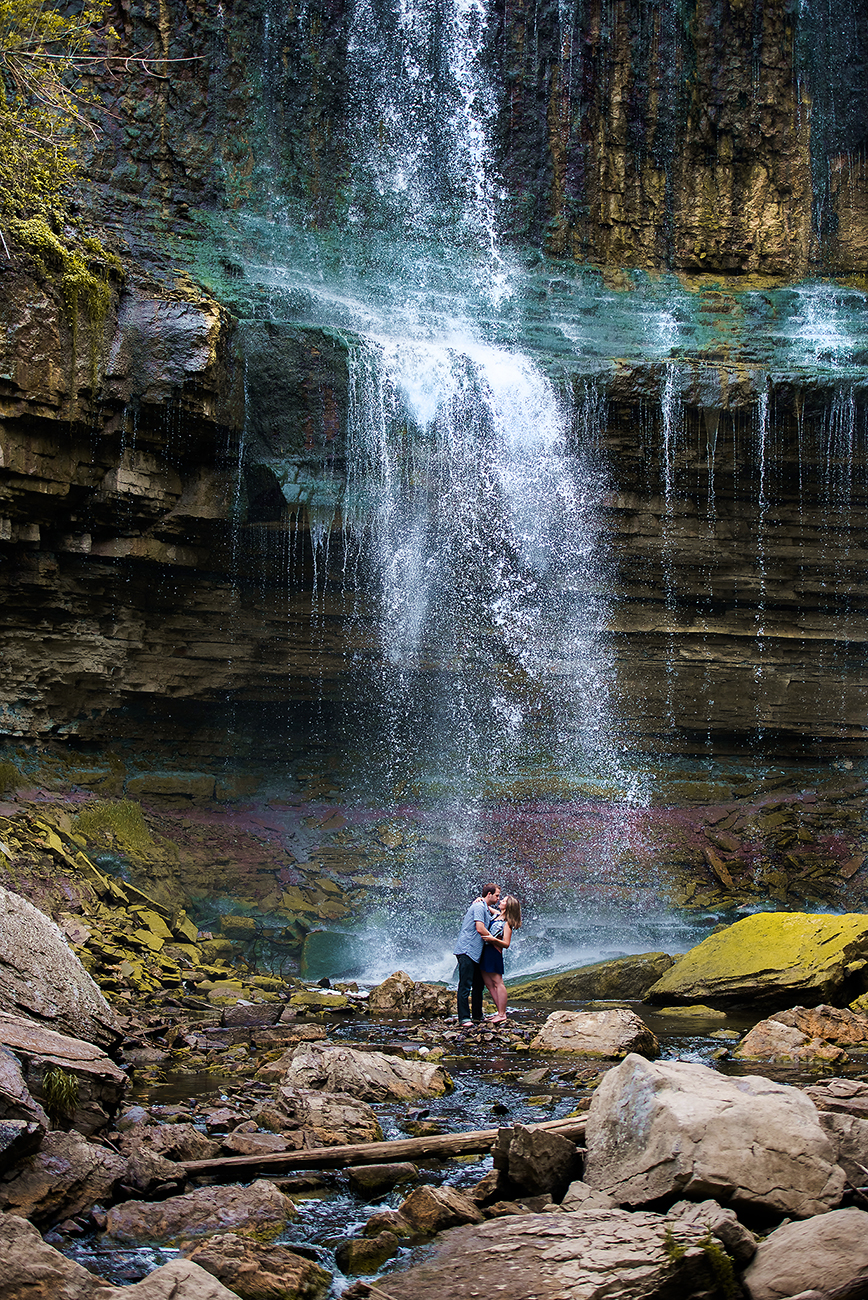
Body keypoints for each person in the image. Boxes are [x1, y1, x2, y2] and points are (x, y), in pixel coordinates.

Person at [453, 882, 500, 1026]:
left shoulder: (484, 908)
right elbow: (480, 928)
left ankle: (478, 1016)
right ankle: (464, 1018)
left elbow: (498, 914)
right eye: (497, 895)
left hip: (476, 952)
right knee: (465, 985)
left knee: (478, 985)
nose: (499, 898)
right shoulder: (479, 907)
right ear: (489, 894)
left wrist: (487, 905)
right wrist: (493, 940)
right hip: (467, 950)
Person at [480, 894, 521, 1025]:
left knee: (498, 982)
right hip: (485, 951)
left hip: (494, 952)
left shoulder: (507, 923)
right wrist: (480, 900)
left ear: (508, 906)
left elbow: (507, 944)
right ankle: (499, 1012)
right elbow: (487, 906)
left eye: (503, 900)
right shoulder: (498, 915)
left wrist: (493, 939)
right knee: (489, 984)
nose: (500, 900)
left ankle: (503, 1014)